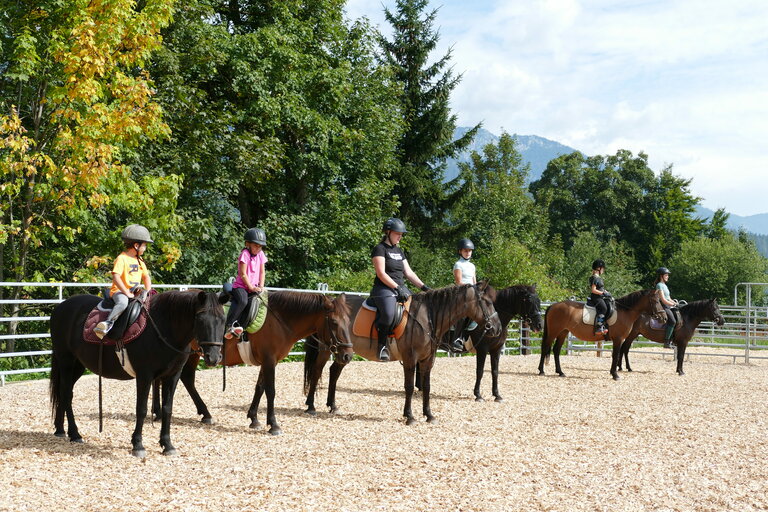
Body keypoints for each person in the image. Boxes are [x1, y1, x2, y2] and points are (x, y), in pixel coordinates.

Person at [370, 218, 430, 361]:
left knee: (419, 312)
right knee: (389, 314)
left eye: (402, 234)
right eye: (398, 234)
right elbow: (381, 273)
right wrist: (397, 287)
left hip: (400, 288)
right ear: (388, 232)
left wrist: (424, 287)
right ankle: (382, 346)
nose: (400, 237)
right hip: (383, 289)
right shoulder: (380, 249)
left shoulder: (399, 251)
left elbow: (408, 273)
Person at [94, 224, 153, 339]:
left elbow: (146, 277)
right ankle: (107, 323)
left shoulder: (140, 260)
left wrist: (148, 290)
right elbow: (116, 277)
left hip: (134, 291)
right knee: (123, 303)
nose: (145, 248)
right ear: (136, 245)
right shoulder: (122, 258)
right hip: (119, 292)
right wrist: (126, 293)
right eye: (144, 245)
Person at [224, 227, 268, 339]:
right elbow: (243, 274)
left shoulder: (261, 254)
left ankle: (242, 327)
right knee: (243, 301)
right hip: (241, 286)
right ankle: (229, 325)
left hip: (254, 287)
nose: (258, 248)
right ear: (248, 243)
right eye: (256, 245)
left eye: (260, 246)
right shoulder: (245, 254)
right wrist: (251, 287)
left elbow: (262, 272)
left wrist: (261, 286)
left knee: (255, 302)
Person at [450, 238, 477, 352]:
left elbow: (474, 281)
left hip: (472, 293)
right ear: (460, 251)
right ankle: (457, 338)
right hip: (462, 293)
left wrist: (477, 290)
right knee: (464, 313)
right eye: (465, 251)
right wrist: (470, 287)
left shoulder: (472, 266)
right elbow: (459, 282)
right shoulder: (458, 264)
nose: (468, 253)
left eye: (470, 251)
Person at [654, 266, 678, 349]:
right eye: (666, 275)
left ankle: (674, 339)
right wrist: (672, 304)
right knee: (672, 321)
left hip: (668, 305)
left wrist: (675, 303)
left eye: (668, 275)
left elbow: (668, 298)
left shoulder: (664, 285)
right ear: (661, 276)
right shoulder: (659, 285)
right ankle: (667, 341)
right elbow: (663, 300)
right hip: (663, 306)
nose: (668, 276)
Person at [589, 259, 610, 335]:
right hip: (596, 297)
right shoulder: (595, 278)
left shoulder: (598, 278)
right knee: (603, 308)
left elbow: (600, 288)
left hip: (600, 296)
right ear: (599, 268)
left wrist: (606, 292)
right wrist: (602, 293)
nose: (603, 270)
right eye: (603, 268)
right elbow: (593, 290)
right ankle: (598, 327)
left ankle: (604, 325)